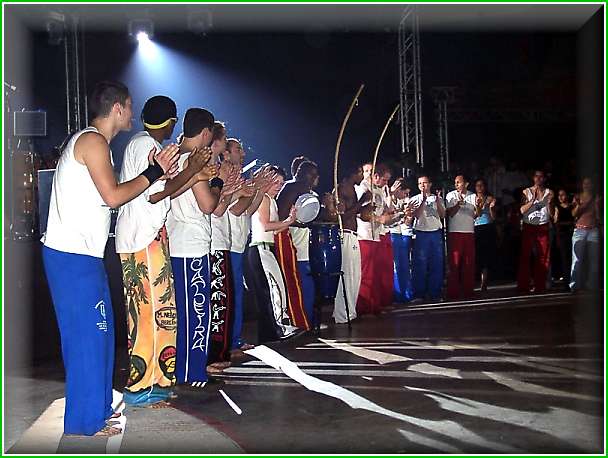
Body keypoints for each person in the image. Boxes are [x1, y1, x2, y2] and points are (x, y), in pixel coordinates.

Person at [41, 81, 179, 435]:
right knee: (87, 338)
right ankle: (84, 422)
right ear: (118, 108)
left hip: (86, 255)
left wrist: (150, 175)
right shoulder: (92, 141)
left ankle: (98, 410)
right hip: (70, 255)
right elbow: (114, 197)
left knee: (101, 336)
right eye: (130, 107)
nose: (133, 114)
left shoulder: (99, 146)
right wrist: (154, 173)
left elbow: (111, 195)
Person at [115, 96, 210, 407]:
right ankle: (140, 386)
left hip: (151, 239)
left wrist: (192, 173)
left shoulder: (144, 144)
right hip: (142, 241)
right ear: (170, 123)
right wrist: (192, 169)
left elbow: (164, 191)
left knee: (161, 317)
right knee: (147, 318)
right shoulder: (145, 146)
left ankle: (157, 381)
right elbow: (156, 196)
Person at [165, 108, 228, 389]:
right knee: (196, 312)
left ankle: (188, 368)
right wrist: (217, 182)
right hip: (189, 244)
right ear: (205, 134)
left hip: (180, 241)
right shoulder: (193, 159)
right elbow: (208, 205)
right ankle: (191, 371)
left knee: (187, 311)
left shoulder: (172, 153)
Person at [244, 166, 301, 343]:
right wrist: (287, 221)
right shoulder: (264, 199)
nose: (278, 186)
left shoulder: (270, 200)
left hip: (266, 247)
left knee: (274, 288)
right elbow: (266, 225)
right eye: (275, 182)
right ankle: (279, 327)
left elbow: (274, 230)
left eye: (281, 183)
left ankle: (272, 330)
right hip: (260, 248)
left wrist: (289, 221)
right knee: (273, 288)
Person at [224, 139, 270, 353]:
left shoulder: (239, 177)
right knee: (230, 295)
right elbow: (235, 209)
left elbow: (248, 210)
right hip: (228, 243)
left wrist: (259, 189)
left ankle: (235, 338)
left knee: (237, 295)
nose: (242, 153)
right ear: (225, 154)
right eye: (237, 149)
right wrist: (255, 187)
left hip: (239, 242)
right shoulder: (226, 175)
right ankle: (229, 341)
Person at [275, 160, 320, 329]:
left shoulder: (296, 188)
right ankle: (302, 321)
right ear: (301, 173)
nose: (314, 178)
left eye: (316, 174)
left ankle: (303, 319)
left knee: (302, 280)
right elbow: (284, 216)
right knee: (300, 281)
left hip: (297, 239)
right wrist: (300, 223)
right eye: (311, 173)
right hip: (292, 239)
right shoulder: (297, 187)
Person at [331, 164, 368, 323]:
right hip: (345, 235)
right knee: (347, 274)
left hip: (352, 235)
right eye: (360, 172)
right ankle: (342, 314)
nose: (362, 176)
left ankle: (348, 312)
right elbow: (343, 216)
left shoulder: (350, 188)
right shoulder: (342, 189)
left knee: (354, 275)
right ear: (354, 173)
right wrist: (362, 202)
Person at [356, 163, 393, 315]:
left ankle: (375, 304)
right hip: (365, 234)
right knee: (366, 273)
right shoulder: (364, 187)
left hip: (376, 235)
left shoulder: (379, 189)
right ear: (376, 176)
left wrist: (388, 214)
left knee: (375, 272)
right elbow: (361, 212)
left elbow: (383, 211)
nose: (386, 183)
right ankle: (364, 306)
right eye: (384, 180)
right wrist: (379, 218)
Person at [517, 170, 554, 293]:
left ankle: (540, 286)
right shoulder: (526, 192)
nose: (538, 178)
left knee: (543, 257)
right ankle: (524, 286)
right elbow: (522, 210)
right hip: (529, 226)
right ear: (533, 178)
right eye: (536, 176)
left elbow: (552, 214)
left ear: (544, 179)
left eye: (541, 176)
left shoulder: (549, 192)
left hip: (543, 226)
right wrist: (532, 200)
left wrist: (549, 204)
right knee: (525, 256)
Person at [409, 174, 445, 302]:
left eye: (424, 183)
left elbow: (442, 215)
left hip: (435, 233)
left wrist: (438, 202)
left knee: (436, 263)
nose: (422, 186)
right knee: (420, 264)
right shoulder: (414, 199)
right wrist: (423, 201)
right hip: (421, 233)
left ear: (429, 184)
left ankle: (435, 293)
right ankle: (419, 294)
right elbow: (416, 216)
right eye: (420, 183)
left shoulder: (437, 198)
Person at [445, 174, 477, 300]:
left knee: (468, 263)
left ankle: (468, 291)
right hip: (455, 232)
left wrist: (479, 207)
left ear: (466, 184)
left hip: (469, 232)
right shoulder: (451, 195)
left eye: (459, 182)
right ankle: (453, 292)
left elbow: (476, 215)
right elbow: (450, 214)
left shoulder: (472, 196)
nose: (456, 184)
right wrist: (458, 204)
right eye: (455, 182)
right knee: (455, 263)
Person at [570, 177, 601, 292]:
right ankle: (574, 285)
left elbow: (598, 216)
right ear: (582, 185)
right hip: (579, 231)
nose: (587, 185)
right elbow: (573, 214)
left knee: (594, 260)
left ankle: (592, 285)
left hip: (593, 230)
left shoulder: (596, 197)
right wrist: (578, 205)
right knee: (577, 260)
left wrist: (600, 226)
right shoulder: (577, 197)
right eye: (585, 183)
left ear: (592, 185)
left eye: (589, 183)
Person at [389, 178, 414, 303]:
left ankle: (406, 294)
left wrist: (407, 215)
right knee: (395, 266)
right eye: (404, 193)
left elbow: (406, 222)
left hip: (401, 233)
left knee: (404, 265)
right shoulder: (388, 197)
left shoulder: (403, 201)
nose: (405, 196)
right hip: (391, 234)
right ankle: (397, 295)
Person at [473, 178, 497, 291]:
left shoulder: (490, 199)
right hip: (476, 228)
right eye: (477, 185)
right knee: (478, 255)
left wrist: (491, 208)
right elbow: (475, 215)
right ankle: (477, 279)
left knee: (486, 255)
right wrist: (478, 206)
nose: (480, 187)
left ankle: (484, 281)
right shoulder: (472, 199)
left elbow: (494, 217)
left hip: (487, 228)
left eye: (482, 185)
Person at [552, 188, 574, 284]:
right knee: (564, 258)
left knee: (572, 257)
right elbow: (556, 222)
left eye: (563, 195)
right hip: (562, 235)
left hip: (572, 234)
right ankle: (566, 281)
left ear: (567, 196)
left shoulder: (572, 206)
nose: (560, 197)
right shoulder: (557, 207)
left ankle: (573, 279)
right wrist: (569, 223)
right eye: (559, 195)